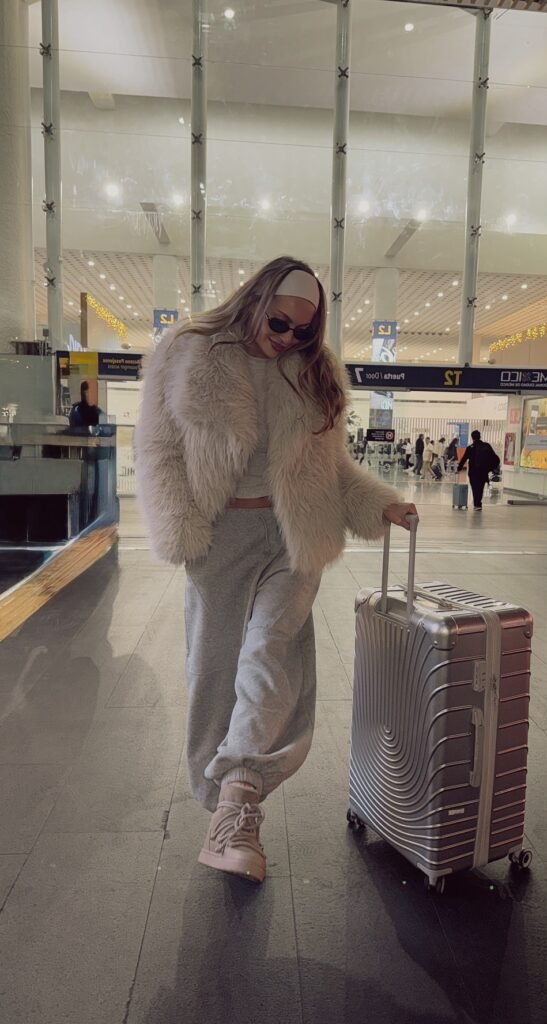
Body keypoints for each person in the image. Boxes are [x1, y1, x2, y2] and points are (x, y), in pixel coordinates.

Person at [136, 256, 417, 884]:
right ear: (255, 300)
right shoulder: (188, 350)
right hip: (219, 537)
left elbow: (330, 467)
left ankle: (236, 805)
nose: (289, 337)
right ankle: (221, 794)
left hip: (296, 537)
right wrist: (181, 528)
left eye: (303, 329)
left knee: (269, 656)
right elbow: (157, 448)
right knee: (214, 669)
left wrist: (380, 504)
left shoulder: (315, 370)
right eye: (280, 323)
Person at [457, 430, 501, 511]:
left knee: (475, 488)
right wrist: (490, 468)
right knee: (480, 488)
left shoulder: (470, 448)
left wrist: (459, 468)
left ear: (472, 438)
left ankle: (477, 504)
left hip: (473, 472)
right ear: (480, 436)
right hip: (483, 472)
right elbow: (494, 457)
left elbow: (464, 459)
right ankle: (478, 504)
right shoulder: (487, 446)